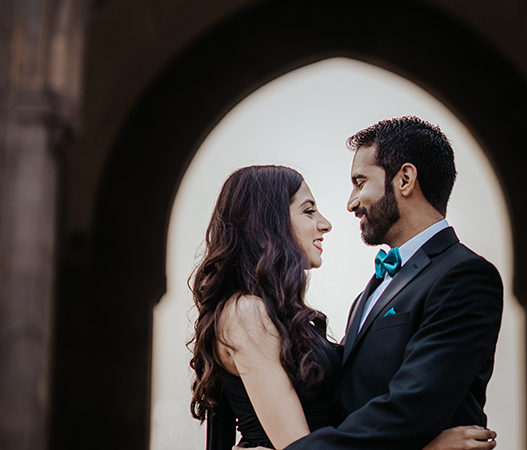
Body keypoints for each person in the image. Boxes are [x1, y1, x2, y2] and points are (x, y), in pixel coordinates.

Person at [189, 165, 496, 449]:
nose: (325, 223)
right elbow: (299, 449)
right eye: (309, 211)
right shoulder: (247, 314)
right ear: (267, 225)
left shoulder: (280, 315)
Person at [282, 116, 504, 449]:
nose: (351, 202)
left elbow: (412, 407)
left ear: (405, 179)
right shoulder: (369, 292)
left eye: (360, 182)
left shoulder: (465, 277)